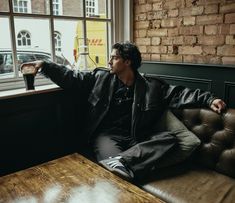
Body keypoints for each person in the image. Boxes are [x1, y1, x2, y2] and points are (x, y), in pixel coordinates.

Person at [21, 42, 226, 180]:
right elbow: (73, 78)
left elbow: (179, 93)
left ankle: (120, 162)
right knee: (119, 173)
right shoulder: (100, 78)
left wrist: (210, 99)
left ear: (127, 62)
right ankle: (124, 163)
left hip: (136, 138)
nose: (109, 61)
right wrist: (45, 66)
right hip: (107, 136)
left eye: (114, 58)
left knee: (170, 139)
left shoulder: (151, 87)